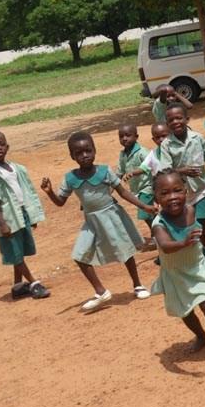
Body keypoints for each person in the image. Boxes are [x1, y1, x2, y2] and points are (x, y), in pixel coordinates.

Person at [41, 131, 156, 311]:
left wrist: (145, 206)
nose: (84, 155)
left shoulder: (104, 171)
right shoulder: (70, 178)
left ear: (94, 151)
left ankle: (137, 285)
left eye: (88, 151)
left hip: (112, 216)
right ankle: (101, 291)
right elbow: (60, 202)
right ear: (72, 156)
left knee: (126, 251)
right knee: (79, 256)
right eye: (79, 153)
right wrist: (49, 192)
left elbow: (123, 192)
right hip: (91, 221)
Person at [150, 170, 205, 352]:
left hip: (196, 266)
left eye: (177, 190)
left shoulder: (191, 211)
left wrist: (204, 245)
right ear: (156, 198)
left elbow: (198, 231)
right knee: (185, 310)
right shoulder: (158, 223)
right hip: (175, 272)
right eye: (164, 193)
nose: (172, 197)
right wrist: (184, 243)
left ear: (186, 191)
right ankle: (200, 335)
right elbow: (165, 245)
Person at [0, 130, 50, 300]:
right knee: (15, 252)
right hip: (7, 218)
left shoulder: (15, 168)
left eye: (1, 144)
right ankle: (34, 284)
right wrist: (2, 223)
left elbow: (24, 192)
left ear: (7, 146)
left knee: (19, 249)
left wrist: (30, 216)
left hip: (20, 214)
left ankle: (18, 286)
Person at [161, 102, 205, 247]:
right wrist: (181, 171)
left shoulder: (197, 138)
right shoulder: (166, 145)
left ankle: (204, 251)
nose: (175, 122)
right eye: (171, 120)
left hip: (201, 189)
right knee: (191, 223)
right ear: (167, 123)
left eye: (179, 118)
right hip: (181, 193)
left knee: (198, 222)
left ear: (187, 119)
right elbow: (165, 171)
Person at [121, 122, 169, 247]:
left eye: (128, 135)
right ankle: (161, 231)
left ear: (136, 137)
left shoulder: (143, 152)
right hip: (137, 189)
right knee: (152, 212)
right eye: (121, 136)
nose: (124, 138)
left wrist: (132, 173)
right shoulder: (123, 155)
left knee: (145, 212)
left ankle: (156, 234)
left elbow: (146, 168)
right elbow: (120, 171)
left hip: (147, 187)